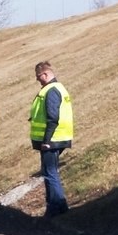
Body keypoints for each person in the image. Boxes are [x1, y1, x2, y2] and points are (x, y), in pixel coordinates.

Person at [29, 61, 73, 217]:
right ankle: (58, 206)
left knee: (50, 173)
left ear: (45, 74)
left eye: (38, 77)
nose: (38, 80)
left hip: (52, 139)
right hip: (60, 137)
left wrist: (46, 141)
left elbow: (53, 117)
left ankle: (56, 207)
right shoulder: (59, 88)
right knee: (50, 171)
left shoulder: (51, 90)